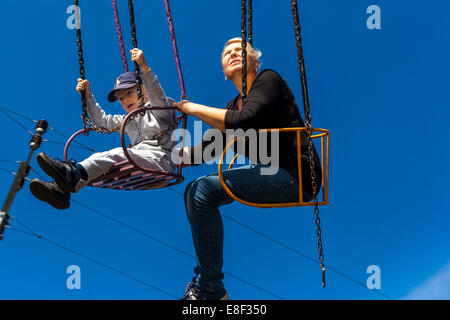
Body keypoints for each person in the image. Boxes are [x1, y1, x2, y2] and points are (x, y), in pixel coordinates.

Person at [172, 37, 322, 300]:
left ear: (254, 61)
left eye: (240, 50)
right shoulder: (232, 107)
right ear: (222, 71)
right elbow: (205, 150)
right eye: (227, 52)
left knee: (202, 189)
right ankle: (210, 285)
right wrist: (162, 157)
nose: (232, 54)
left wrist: (192, 108)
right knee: (194, 192)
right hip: (268, 170)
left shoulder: (268, 79)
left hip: (295, 175)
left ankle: (209, 287)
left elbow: (247, 120)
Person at [30, 48, 177, 209]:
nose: (125, 100)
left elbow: (157, 95)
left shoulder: (159, 111)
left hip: (160, 161)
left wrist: (144, 67)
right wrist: (88, 96)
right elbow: (102, 121)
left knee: (116, 154)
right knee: (103, 162)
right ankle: (60, 192)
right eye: (121, 98)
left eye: (129, 93)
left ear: (144, 91)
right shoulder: (127, 120)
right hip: (138, 161)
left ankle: (70, 175)